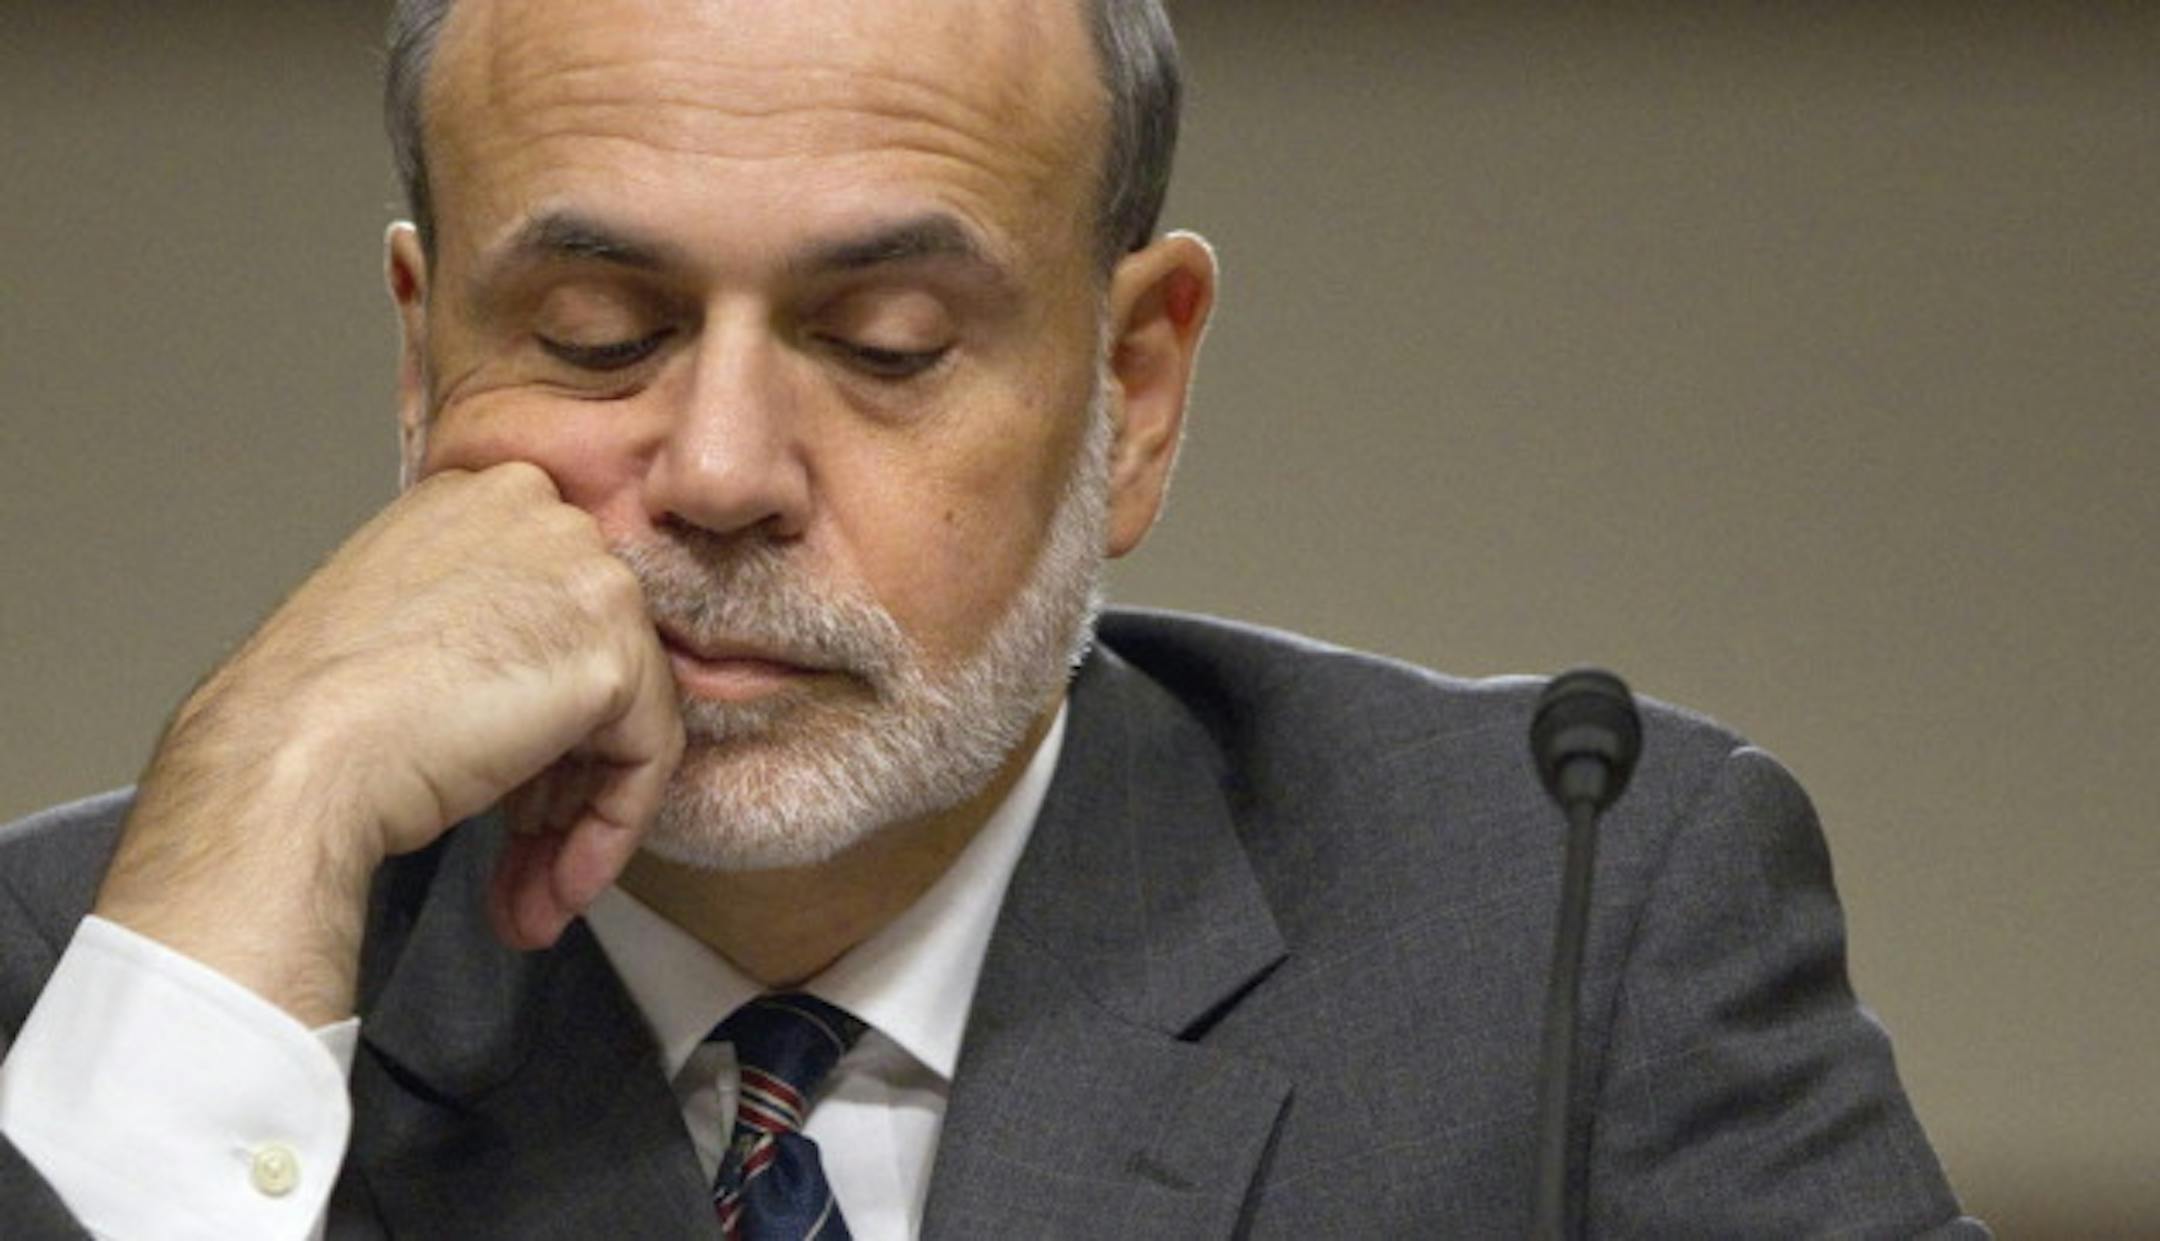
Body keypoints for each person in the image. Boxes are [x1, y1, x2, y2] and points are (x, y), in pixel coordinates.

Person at [0, 1, 1985, 1236]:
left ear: (1135, 389)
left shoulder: (1562, 935)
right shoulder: (77, 991)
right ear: (425, 362)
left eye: (886, 347)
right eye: (599, 341)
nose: (717, 470)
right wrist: (248, 818)